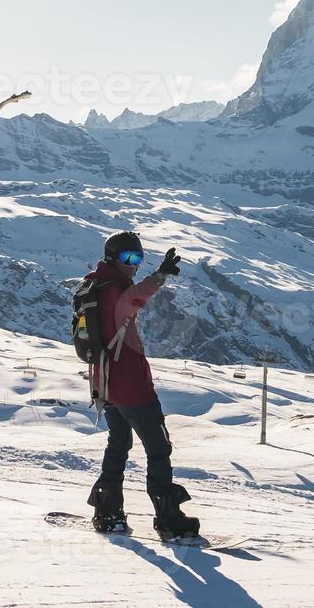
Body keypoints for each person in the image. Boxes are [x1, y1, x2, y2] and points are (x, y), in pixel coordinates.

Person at [83, 230, 200, 540]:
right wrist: (159, 275)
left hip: (106, 384)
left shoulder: (95, 284)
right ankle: (168, 518)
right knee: (159, 448)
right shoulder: (115, 291)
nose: (134, 265)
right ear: (113, 258)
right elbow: (135, 298)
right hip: (132, 386)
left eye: (138, 258)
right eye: (128, 258)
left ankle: (107, 511)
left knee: (119, 443)